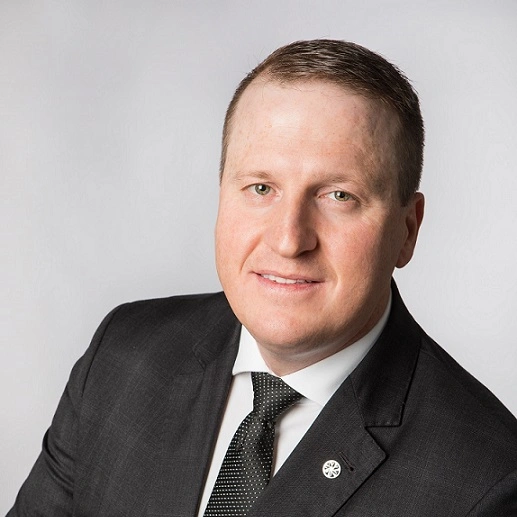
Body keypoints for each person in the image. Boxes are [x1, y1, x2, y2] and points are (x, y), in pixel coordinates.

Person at [8, 39, 517, 516]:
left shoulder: (487, 481)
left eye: (339, 196)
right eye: (260, 188)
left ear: (407, 230)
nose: (289, 240)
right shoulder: (123, 357)